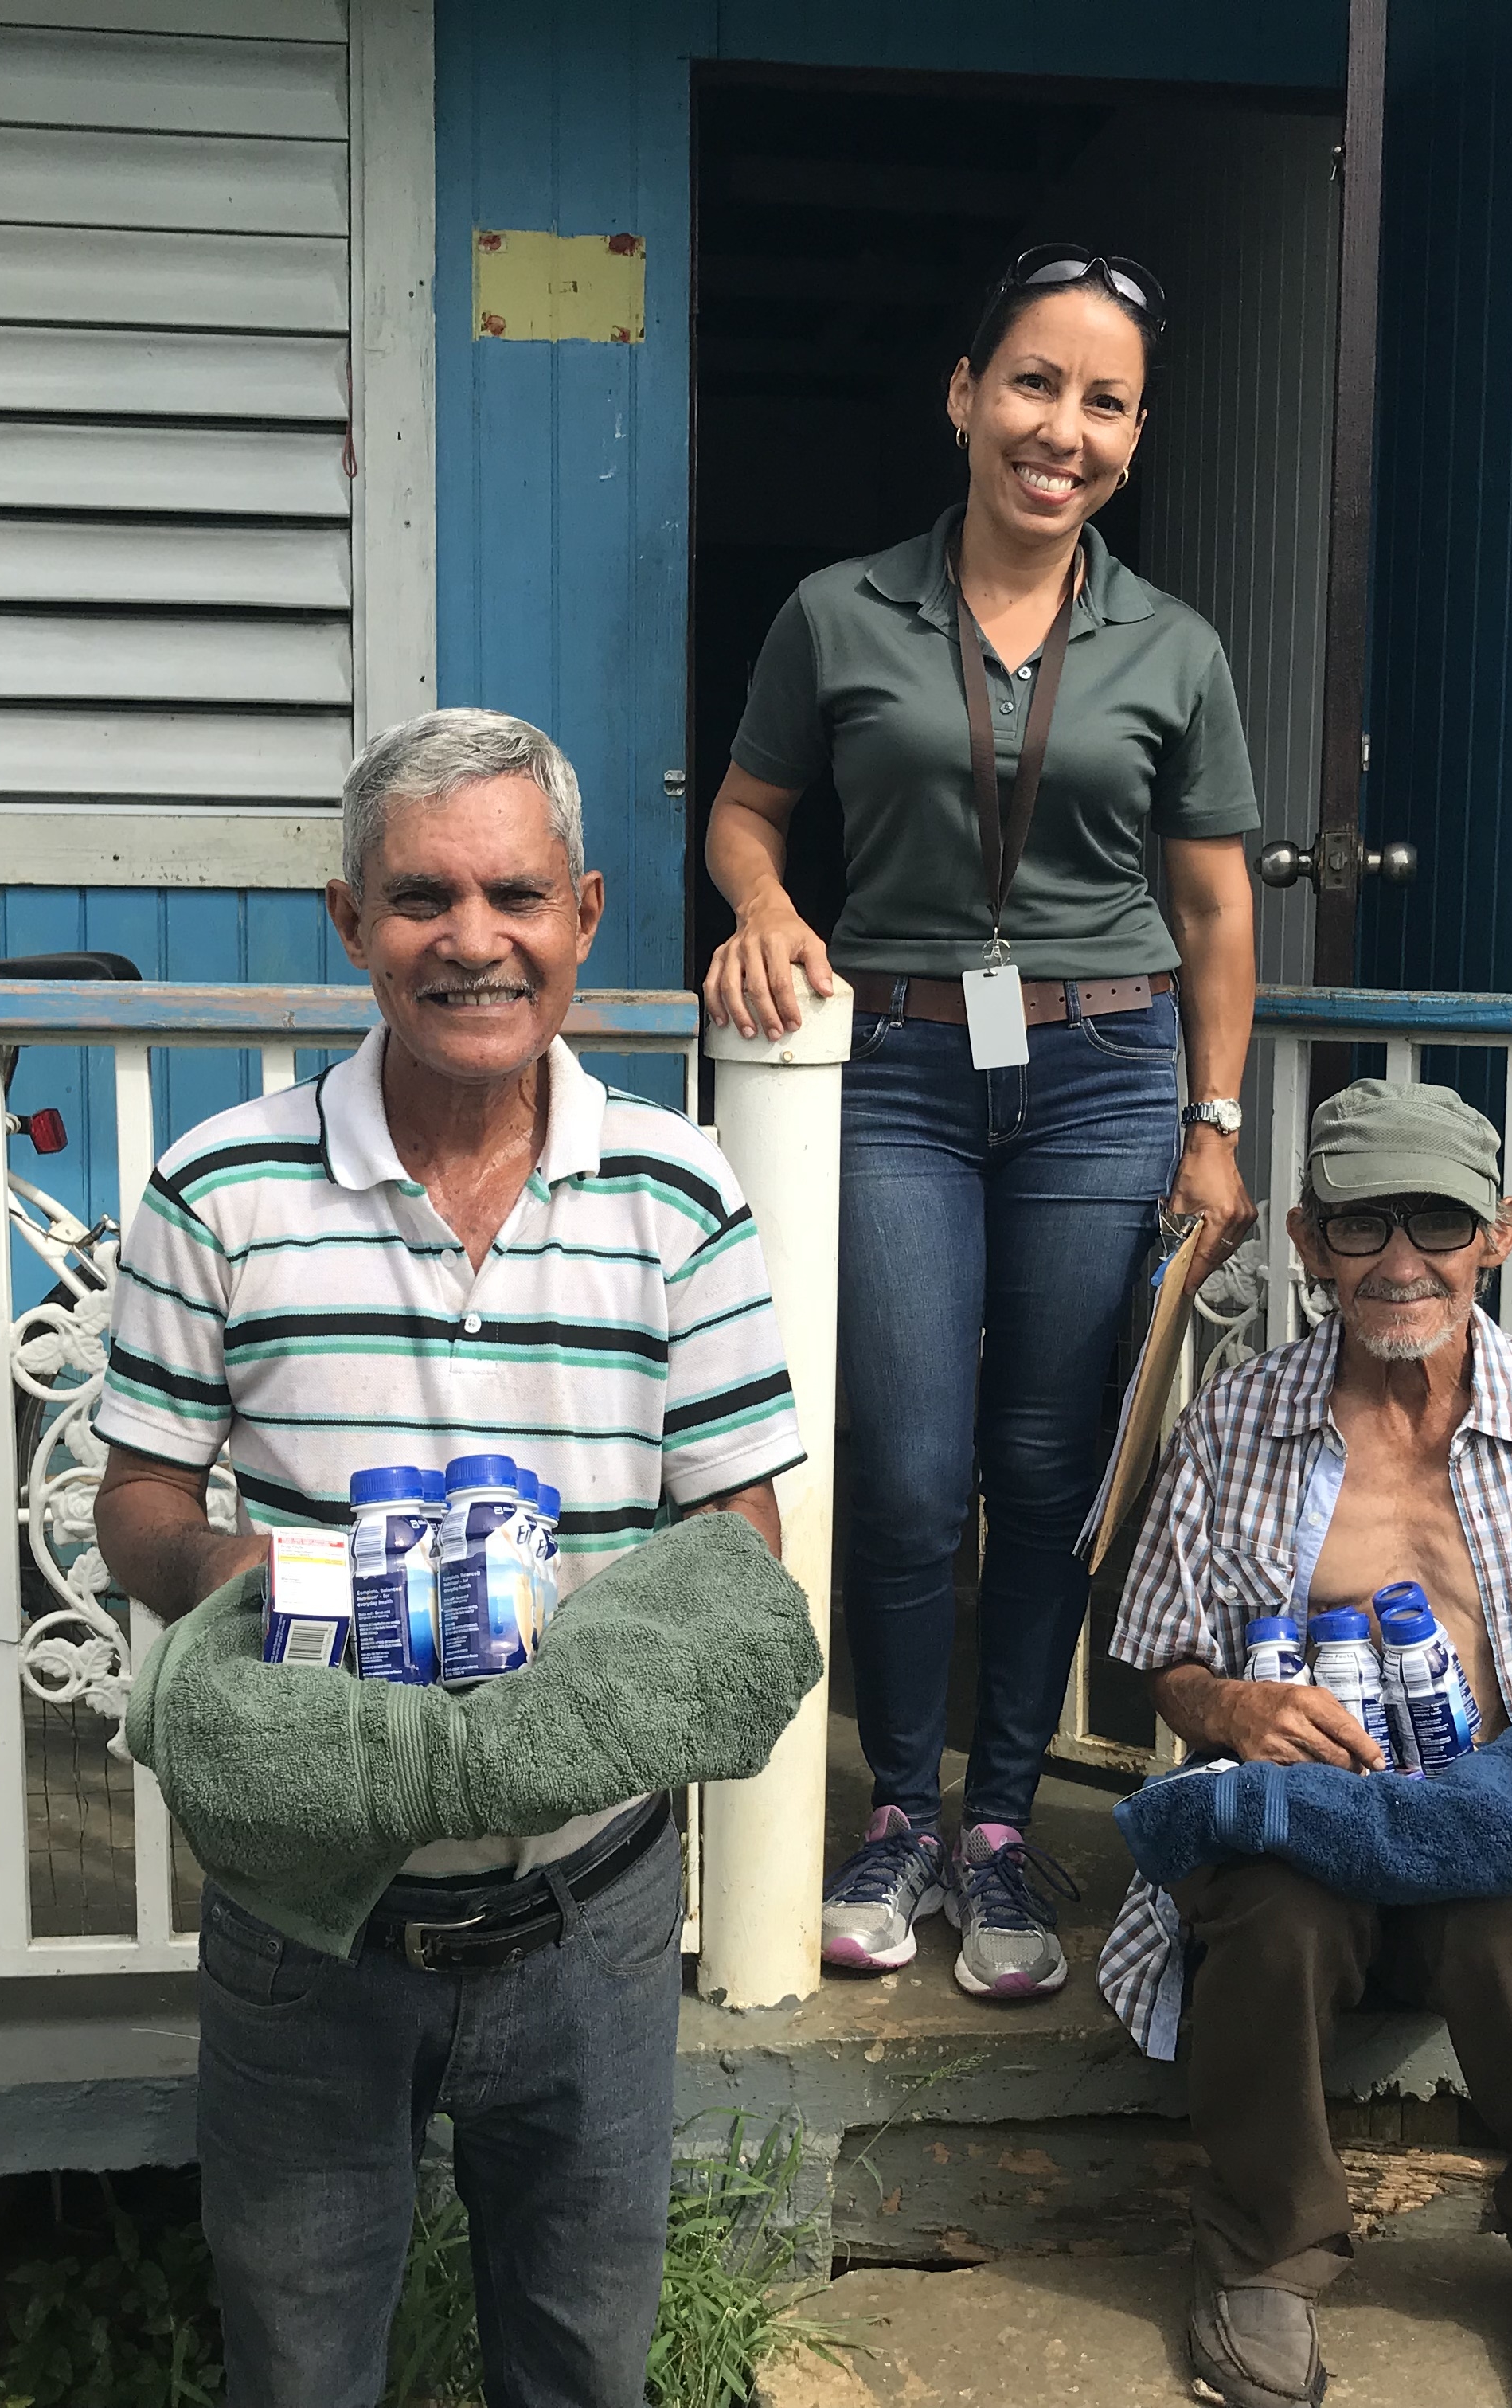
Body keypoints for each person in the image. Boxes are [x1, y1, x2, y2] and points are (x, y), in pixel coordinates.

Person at [92, 709, 807, 2408]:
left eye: (516, 896)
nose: (472, 940)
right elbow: (134, 1500)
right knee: (298, 2361)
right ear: (351, 923)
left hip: (596, 1904)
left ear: (584, 913)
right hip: (306, 1913)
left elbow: (743, 1538)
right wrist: (255, 1590)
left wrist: (583, 1695)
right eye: (421, 899)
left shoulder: (678, 1191)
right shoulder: (221, 1189)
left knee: (577, 2363)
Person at [700, 244, 1264, 2003]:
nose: (1063, 429)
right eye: (1034, 384)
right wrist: (768, 910)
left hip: (1107, 1074)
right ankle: (897, 1813)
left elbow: (1220, 913)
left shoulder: (1169, 643)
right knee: (905, 1460)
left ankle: (1005, 1829)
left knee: (1043, 1472)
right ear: (962, 395)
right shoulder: (839, 610)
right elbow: (742, 812)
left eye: (1104, 403)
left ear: (1134, 435)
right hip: (902, 1073)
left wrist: (1219, 1120)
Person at [1097, 1079, 1512, 2408]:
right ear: (1308, 1243)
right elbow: (1160, 1647)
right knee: (1275, 1918)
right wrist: (1233, 1712)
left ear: (1502, 1234)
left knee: (1509, 1936)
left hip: (1498, 1829)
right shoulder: (1235, 1422)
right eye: (1365, 1226)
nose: (1402, 1262)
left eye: (1440, 1222)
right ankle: (1264, 2244)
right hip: (1307, 1833)